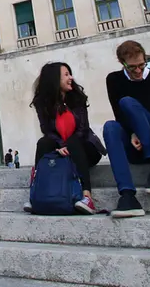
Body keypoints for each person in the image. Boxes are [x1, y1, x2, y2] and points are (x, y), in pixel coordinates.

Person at [102, 40, 150, 219]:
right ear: (122, 63)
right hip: (135, 143)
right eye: (132, 68)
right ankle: (127, 195)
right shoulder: (114, 80)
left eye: (141, 65)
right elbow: (120, 116)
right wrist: (132, 132)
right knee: (110, 127)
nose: (138, 71)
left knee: (127, 102)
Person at [30, 62, 107, 214]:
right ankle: (37, 193)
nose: (71, 78)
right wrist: (60, 145)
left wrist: (66, 145)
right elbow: (46, 129)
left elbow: (83, 129)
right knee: (43, 142)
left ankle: (87, 196)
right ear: (54, 79)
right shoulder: (42, 103)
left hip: (85, 149)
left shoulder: (78, 98)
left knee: (74, 141)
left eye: (70, 74)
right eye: (66, 75)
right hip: (61, 150)